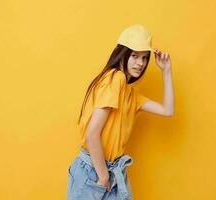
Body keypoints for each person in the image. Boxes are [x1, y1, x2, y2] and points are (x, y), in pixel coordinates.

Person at [67, 24, 175, 200]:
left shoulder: (131, 95)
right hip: (94, 171)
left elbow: (168, 110)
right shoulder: (115, 78)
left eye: (144, 58)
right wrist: (103, 176)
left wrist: (167, 71)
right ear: (122, 54)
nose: (140, 63)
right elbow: (92, 134)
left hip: (114, 170)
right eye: (134, 56)